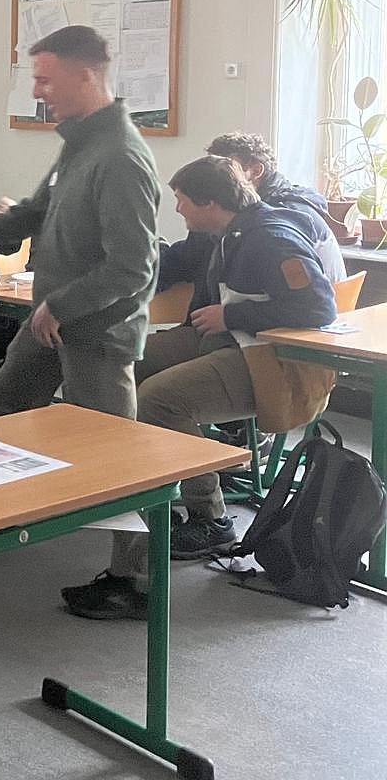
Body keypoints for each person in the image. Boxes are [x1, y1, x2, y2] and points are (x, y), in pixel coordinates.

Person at [63, 157, 338, 619]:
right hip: (230, 339)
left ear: (211, 202)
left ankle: (207, 516)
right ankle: (132, 491)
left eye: (182, 201)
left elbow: (320, 308)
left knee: (157, 401)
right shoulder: (225, 233)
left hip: (268, 359)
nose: (178, 209)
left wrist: (233, 316)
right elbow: (170, 264)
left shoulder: (271, 236)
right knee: (118, 362)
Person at [0, 25, 161, 420]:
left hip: (97, 332)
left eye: (45, 80)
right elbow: (35, 213)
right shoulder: (81, 145)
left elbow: (132, 267)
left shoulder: (120, 157)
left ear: (85, 76)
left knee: (104, 439)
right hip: (52, 319)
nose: (36, 92)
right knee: (8, 400)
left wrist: (60, 306)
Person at [158, 132, 344, 290]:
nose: (212, 177)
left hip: (294, 319)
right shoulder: (235, 213)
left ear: (256, 170)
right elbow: (188, 257)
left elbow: (310, 301)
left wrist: (228, 314)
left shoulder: (278, 223)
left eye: (227, 168)